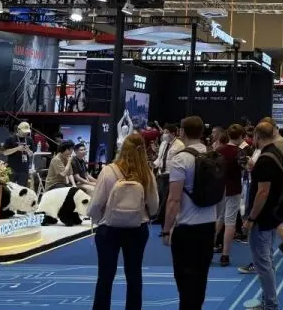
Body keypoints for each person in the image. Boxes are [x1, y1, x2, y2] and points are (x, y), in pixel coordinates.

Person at [88, 132, 159, 310]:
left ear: (122, 149)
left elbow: (96, 204)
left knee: (105, 276)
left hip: (109, 228)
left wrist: (98, 219)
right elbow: (154, 205)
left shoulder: (108, 171)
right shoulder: (147, 173)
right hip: (137, 228)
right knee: (134, 275)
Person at [162, 116, 219, 309]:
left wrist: (166, 229)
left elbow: (174, 199)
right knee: (201, 279)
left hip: (187, 227)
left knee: (185, 282)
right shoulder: (212, 155)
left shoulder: (181, 159)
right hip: (209, 225)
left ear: (181, 132)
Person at [243, 122, 283, 310]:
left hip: (262, 217)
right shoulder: (276, 153)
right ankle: (268, 300)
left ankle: (270, 304)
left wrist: (251, 218)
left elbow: (263, 192)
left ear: (257, 136)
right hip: (272, 213)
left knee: (262, 262)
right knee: (267, 259)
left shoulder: (265, 159)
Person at [215, 126, 246, 267]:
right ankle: (225, 255)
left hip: (219, 189)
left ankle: (209, 248)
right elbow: (244, 168)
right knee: (230, 222)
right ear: (241, 136)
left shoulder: (218, 150)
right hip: (234, 189)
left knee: (219, 218)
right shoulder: (239, 152)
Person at [3, 121, 34, 187]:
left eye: (27, 132)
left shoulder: (29, 139)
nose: (25, 133)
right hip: (12, 169)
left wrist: (28, 150)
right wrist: (17, 148)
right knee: (10, 189)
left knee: (22, 190)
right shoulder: (10, 139)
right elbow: (4, 152)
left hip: (24, 170)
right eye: (24, 131)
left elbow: (31, 154)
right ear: (18, 129)